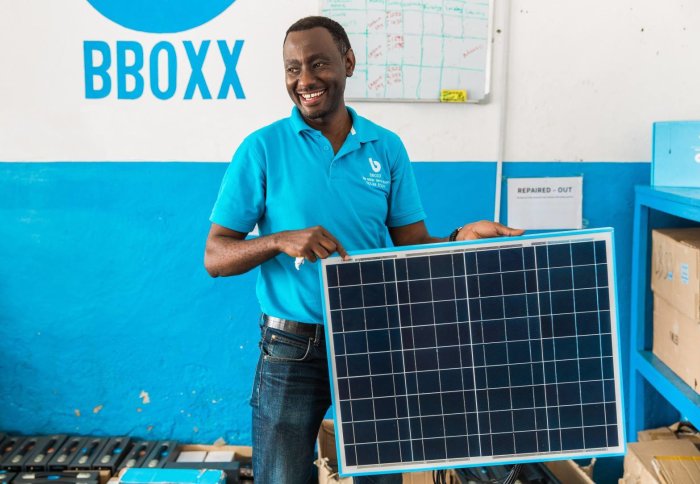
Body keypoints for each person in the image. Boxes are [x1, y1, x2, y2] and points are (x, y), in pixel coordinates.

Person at [204, 15, 523, 484]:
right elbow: (215, 256)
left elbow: (412, 244)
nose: (305, 80)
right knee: (280, 478)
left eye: (318, 64)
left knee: (382, 478)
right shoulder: (261, 149)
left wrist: (458, 240)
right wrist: (277, 240)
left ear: (348, 62)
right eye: (293, 69)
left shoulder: (386, 148)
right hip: (290, 346)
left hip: (373, 337)